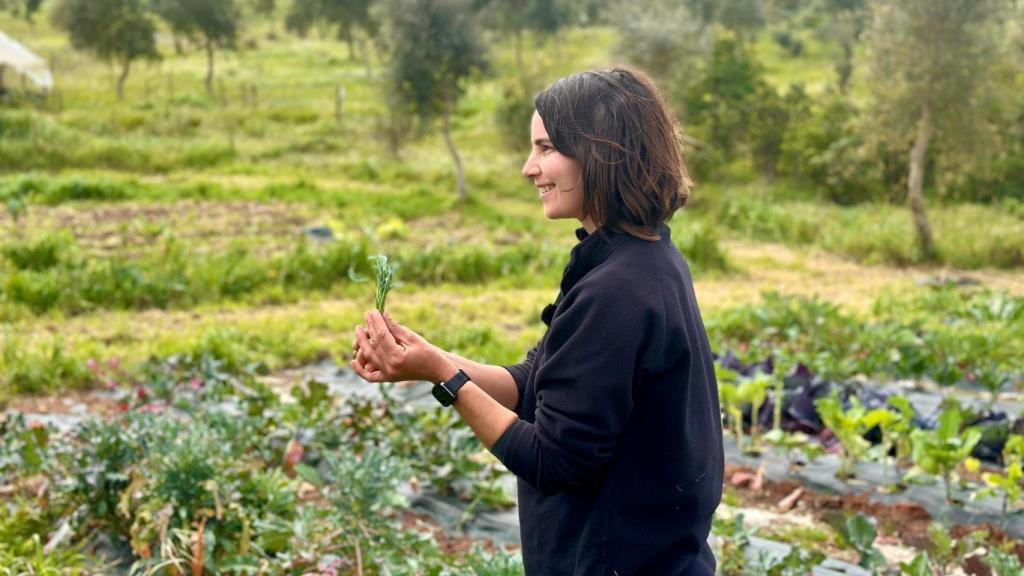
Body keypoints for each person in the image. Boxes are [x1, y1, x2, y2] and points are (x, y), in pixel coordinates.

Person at [352, 67, 723, 576]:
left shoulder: (617, 291)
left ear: (601, 152)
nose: (530, 168)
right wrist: (423, 357)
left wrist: (445, 378)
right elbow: (533, 382)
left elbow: (552, 460)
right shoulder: (637, 257)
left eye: (547, 148)